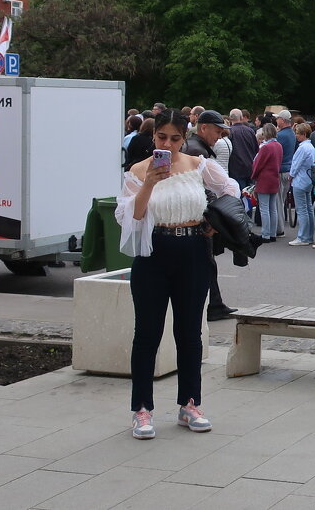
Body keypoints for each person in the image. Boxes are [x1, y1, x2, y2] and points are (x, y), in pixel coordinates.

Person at [116, 109, 239, 440]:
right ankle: (142, 409)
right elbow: (132, 216)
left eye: (174, 139)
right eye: (161, 137)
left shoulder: (199, 165)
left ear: (184, 139)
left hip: (193, 250)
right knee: (147, 333)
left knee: (189, 332)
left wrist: (215, 223)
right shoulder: (138, 171)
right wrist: (150, 182)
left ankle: (190, 403)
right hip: (153, 252)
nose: (167, 145)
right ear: (153, 136)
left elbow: (231, 190)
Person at [180, 109, 236, 321]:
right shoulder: (197, 151)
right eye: (217, 131)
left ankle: (214, 304)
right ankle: (212, 305)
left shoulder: (196, 147)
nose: (219, 137)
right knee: (205, 262)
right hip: (198, 215)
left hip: (197, 212)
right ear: (203, 128)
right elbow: (206, 186)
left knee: (206, 263)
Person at [250, 123, 284, 243]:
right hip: (274, 178)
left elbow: (258, 164)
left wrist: (253, 176)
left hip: (264, 179)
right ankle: (272, 233)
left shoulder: (265, 147)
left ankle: (265, 234)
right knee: (272, 208)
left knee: (264, 208)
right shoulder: (278, 145)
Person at [288, 123, 315, 246]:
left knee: (302, 210)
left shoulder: (302, 148)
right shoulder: (311, 147)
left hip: (300, 180)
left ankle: (303, 237)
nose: (296, 136)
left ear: (304, 134)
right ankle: (309, 236)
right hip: (308, 180)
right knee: (309, 208)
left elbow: (296, 164)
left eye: (298, 133)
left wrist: (291, 176)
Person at [227, 109, 259, 194]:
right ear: (241, 117)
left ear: (230, 118)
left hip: (236, 169)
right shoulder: (250, 131)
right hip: (250, 168)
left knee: (240, 195)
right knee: (250, 195)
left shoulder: (230, 132)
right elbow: (256, 149)